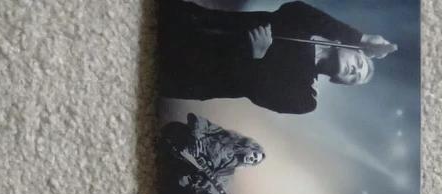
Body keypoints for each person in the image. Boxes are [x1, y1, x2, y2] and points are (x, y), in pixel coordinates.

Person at [160, 1, 397, 113]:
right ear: (345, 44)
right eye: (359, 63)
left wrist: (257, 57)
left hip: (191, 75)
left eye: (355, 78)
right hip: (191, 25)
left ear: (339, 82)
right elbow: (294, 8)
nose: (355, 70)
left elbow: (261, 94)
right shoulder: (302, 26)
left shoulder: (305, 99)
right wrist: (363, 38)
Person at [159, 112, 265, 194]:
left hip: (181, 173)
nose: (252, 159)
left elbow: (200, 192)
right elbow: (194, 118)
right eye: (254, 155)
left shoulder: (227, 177)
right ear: (250, 147)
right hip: (177, 141)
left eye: (255, 161)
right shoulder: (223, 135)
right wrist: (195, 137)